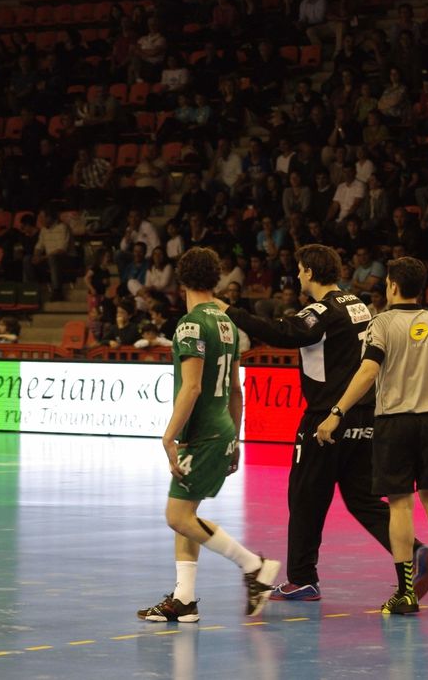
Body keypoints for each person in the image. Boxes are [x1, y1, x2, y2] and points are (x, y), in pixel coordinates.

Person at [214, 244, 428, 602]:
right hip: (364, 415)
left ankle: (302, 578)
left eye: (301, 270)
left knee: (304, 496)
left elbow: (283, 334)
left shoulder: (321, 309)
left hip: (327, 419)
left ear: (309, 271)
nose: (299, 275)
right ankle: (414, 550)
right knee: (363, 499)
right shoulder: (357, 304)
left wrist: (229, 311)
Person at [315, 257, 428, 615]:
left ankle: (406, 592)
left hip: (393, 424)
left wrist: (336, 413)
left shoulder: (381, 323)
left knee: (401, 504)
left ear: (393, 287)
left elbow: (369, 370)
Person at [138, 247, 279, 623]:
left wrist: (168, 437)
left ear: (181, 281)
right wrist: (237, 439)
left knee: (177, 516)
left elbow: (193, 387)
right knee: (187, 511)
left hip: (202, 434)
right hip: (221, 429)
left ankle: (255, 566)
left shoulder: (190, 324)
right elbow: (236, 389)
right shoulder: (227, 324)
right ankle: (184, 599)